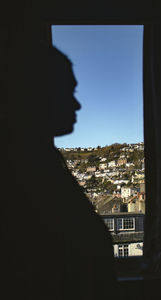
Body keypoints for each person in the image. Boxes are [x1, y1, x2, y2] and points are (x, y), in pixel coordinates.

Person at [0, 42, 116, 299]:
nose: (77, 105)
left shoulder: (37, 160)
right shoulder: (21, 171)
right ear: (34, 92)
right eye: (67, 91)